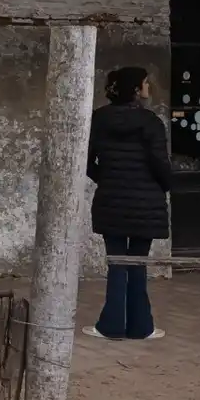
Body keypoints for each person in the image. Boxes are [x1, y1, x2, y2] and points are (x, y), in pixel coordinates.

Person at [84, 65, 171, 341]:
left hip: (112, 200)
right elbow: (160, 163)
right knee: (137, 262)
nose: (148, 87)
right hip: (146, 203)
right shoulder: (151, 122)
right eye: (145, 83)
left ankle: (111, 325)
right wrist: (165, 185)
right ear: (135, 89)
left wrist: (107, 178)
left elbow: (87, 161)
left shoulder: (99, 120)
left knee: (117, 262)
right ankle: (140, 326)